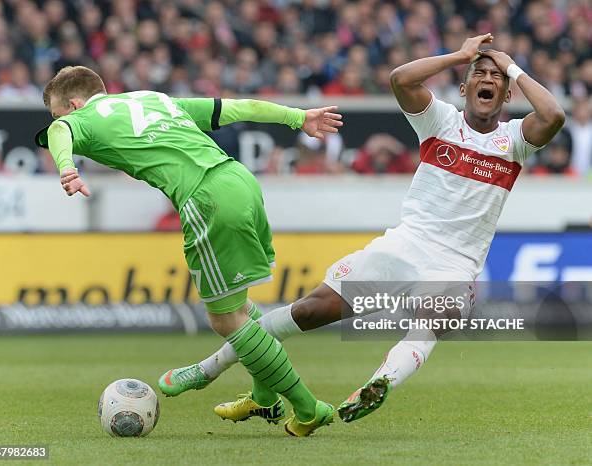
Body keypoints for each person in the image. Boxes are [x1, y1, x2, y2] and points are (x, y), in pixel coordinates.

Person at [162, 33, 565, 424]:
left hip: (456, 264)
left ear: (508, 93)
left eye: (496, 78)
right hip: (405, 246)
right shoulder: (441, 121)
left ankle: (378, 384)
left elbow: (554, 115)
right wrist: (461, 56)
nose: (488, 80)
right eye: (480, 75)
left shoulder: (513, 140)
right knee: (309, 310)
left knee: (435, 320)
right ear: (463, 88)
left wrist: (510, 65)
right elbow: (400, 78)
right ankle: (208, 367)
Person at [34, 65, 343, 437]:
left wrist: (66, 168)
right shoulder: (153, 99)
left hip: (205, 198)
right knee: (239, 307)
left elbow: (59, 132)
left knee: (224, 320)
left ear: (74, 102)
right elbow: (235, 107)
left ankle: (309, 409)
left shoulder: (78, 118)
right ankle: (264, 396)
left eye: (56, 110)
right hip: (239, 180)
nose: (57, 120)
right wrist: (298, 117)